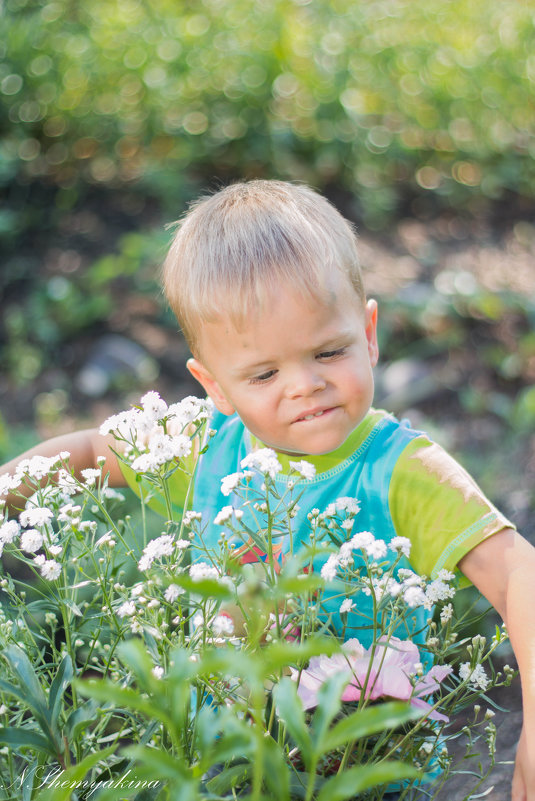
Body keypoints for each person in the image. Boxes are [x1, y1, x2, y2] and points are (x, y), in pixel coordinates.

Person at [1, 180, 534, 799]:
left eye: (329, 351)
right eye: (264, 373)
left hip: (357, 776)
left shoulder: (402, 470)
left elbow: (519, 573)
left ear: (368, 335)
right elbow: (95, 450)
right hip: (219, 766)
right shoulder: (209, 446)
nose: (305, 385)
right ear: (215, 386)